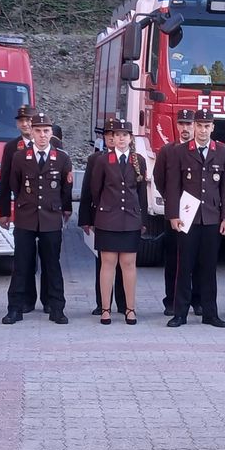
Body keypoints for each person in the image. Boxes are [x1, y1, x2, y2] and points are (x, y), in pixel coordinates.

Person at [0, 113, 73, 325]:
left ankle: (56, 307)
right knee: (21, 265)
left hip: (50, 218)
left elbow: (65, 189)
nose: (42, 135)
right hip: (26, 217)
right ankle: (15, 308)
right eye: (38, 131)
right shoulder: (20, 157)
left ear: (52, 133)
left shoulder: (62, 158)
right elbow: (14, 184)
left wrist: (64, 209)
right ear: (31, 132)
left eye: (46, 131)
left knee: (53, 265)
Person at [164, 108, 225, 328]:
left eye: (207, 126)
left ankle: (210, 313)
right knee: (184, 266)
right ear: (193, 127)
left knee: (209, 267)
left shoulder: (222, 151)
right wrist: (173, 214)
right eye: (199, 126)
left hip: (211, 217)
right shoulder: (181, 151)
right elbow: (173, 186)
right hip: (187, 217)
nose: (203, 130)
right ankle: (180, 313)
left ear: (213, 127)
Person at [85, 118, 147, 325]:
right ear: (112, 138)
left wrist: (142, 219)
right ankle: (105, 309)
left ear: (130, 138)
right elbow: (96, 190)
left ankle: (130, 309)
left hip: (130, 219)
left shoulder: (138, 160)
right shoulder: (103, 159)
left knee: (128, 264)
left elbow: (141, 192)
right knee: (108, 263)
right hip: (108, 219)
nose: (120, 138)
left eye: (125, 135)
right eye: (117, 135)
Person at [154, 110, 201, 317]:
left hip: (199, 214)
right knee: (174, 258)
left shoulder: (203, 149)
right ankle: (171, 300)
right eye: (181, 124)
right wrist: (173, 203)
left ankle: (198, 300)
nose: (184, 128)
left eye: (188, 124)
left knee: (199, 259)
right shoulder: (168, 151)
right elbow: (159, 179)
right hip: (176, 213)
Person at [79, 120, 126, 317]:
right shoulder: (96, 159)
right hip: (103, 217)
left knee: (125, 264)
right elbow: (89, 191)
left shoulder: (131, 159)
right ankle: (102, 303)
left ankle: (124, 305)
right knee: (103, 263)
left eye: (114, 134)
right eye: (108, 134)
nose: (111, 138)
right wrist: (86, 218)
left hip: (125, 219)